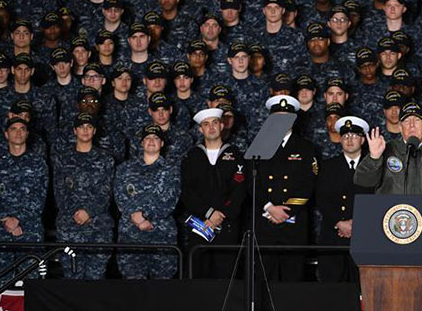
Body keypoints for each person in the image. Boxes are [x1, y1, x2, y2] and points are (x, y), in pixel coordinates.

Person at [354, 101, 422, 211]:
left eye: (417, 120)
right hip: (390, 219)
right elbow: (363, 181)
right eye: (407, 121)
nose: (412, 125)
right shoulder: (386, 149)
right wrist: (374, 158)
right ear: (400, 127)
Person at [255, 95, 318, 282]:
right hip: (265, 221)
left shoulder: (306, 148)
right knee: (265, 279)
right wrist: (269, 207)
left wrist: (286, 211)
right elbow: (252, 183)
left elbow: (309, 184)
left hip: (293, 222)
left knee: (293, 278)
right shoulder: (259, 145)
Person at [181, 108, 247, 279]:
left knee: (226, 276)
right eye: (206, 124)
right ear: (200, 129)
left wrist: (222, 214)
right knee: (197, 276)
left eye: (215, 123)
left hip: (227, 225)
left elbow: (239, 190)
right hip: (199, 225)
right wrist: (209, 213)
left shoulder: (236, 154)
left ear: (222, 125)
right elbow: (187, 191)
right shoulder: (191, 156)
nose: (211, 127)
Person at [113, 125, 181, 280]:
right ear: (142, 143)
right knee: (133, 292)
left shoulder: (172, 169)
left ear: (162, 144)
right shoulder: (125, 168)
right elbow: (120, 196)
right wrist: (135, 218)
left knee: (162, 292)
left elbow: (170, 200)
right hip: (131, 235)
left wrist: (144, 215)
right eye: (148, 138)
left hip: (162, 237)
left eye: (156, 138)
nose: (152, 141)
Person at [52, 113, 114, 280]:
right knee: (72, 281)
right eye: (81, 127)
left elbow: (106, 192)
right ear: (75, 130)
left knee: (96, 282)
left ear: (94, 131)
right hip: (69, 226)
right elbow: (59, 192)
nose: (85, 130)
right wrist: (77, 213)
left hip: (98, 227)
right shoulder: (62, 158)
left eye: (89, 127)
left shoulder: (106, 158)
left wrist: (89, 211)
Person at [316, 116, 371, 283]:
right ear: (340, 139)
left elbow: (376, 199)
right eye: (346, 136)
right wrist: (340, 222)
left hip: (364, 236)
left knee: (363, 289)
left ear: (362, 139)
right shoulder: (327, 166)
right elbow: (321, 198)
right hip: (333, 236)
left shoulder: (373, 167)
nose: (349, 140)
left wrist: (356, 224)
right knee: (333, 290)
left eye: (354, 136)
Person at [0, 117, 47, 287]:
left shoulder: (38, 163)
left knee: (32, 285)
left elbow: (40, 198)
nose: (18, 132)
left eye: (22, 129)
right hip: (0, 231)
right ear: (6, 134)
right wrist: (5, 219)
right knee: (1, 286)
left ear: (27, 133)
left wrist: (18, 218)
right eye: (13, 129)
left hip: (30, 230)